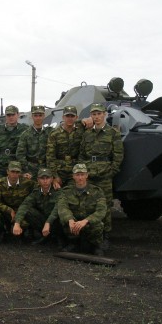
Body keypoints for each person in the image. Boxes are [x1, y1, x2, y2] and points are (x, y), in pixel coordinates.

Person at [79, 103, 124, 249]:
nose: (96, 117)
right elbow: (82, 154)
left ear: (104, 114)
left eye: (99, 114)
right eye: (94, 114)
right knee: (87, 203)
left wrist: (112, 171)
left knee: (105, 205)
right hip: (89, 174)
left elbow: (118, 155)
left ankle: (105, 235)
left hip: (105, 174)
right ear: (91, 116)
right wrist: (84, 172)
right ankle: (88, 234)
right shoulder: (87, 134)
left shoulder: (113, 133)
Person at [57, 163, 107, 256]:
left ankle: (96, 246)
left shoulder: (97, 191)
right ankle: (73, 244)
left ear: (87, 175)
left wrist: (86, 221)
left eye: (82, 174)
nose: (80, 178)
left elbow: (101, 211)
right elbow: (62, 207)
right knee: (64, 222)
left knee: (98, 225)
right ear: (73, 176)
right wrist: (70, 219)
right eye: (77, 175)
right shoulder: (66, 191)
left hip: (88, 223)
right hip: (75, 222)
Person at [0, 161, 35, 244]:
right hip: (5, 211)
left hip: (20, 211)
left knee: (25, 223)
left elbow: (42, 186)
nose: (15, 174)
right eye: (12, 171)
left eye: (17, 172)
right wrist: (9, 210)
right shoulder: (0, 183)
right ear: (7, 171)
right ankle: (0, 232)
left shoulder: (27, 183)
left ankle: (21, 234)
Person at [13, 168, 62, 246]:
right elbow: (25, 205)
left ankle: (59, 237)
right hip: (44, 219)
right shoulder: (36, 192)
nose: (45, 181)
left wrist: (48, 222)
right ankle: (46, 236)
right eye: (42, 178)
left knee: (61, 214)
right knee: (28, 211)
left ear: (52, 179)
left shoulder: (58, 191)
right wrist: (17, 223)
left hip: (55, 221)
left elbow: (57, 209)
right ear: (38, 180)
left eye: (47, 178)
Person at [46, 105, 85, 190]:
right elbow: (50, 157)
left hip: (74, 170)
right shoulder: (54, 134)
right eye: (67, 116)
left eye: (72, 116)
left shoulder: (80, 131)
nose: (70, 118)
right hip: (59, 170)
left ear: (76, 117)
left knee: (73, 194)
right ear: (63, 117)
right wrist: (54, 176)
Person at [0, 105, 28, 179]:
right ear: (5, 116)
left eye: (13, 114)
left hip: (16, 165)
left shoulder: (24, 129)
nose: (11, 117)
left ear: (18, 115)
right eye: (8, 115)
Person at [16, 105, 50, 180]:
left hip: (46, 168)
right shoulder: (25, 134)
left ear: (44, 116)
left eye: (40, 115)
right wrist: (26, 170)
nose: (38, 118)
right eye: (36, 115)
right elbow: (20, 154)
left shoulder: (50, 132)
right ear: (32, 116)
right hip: (31, 169)